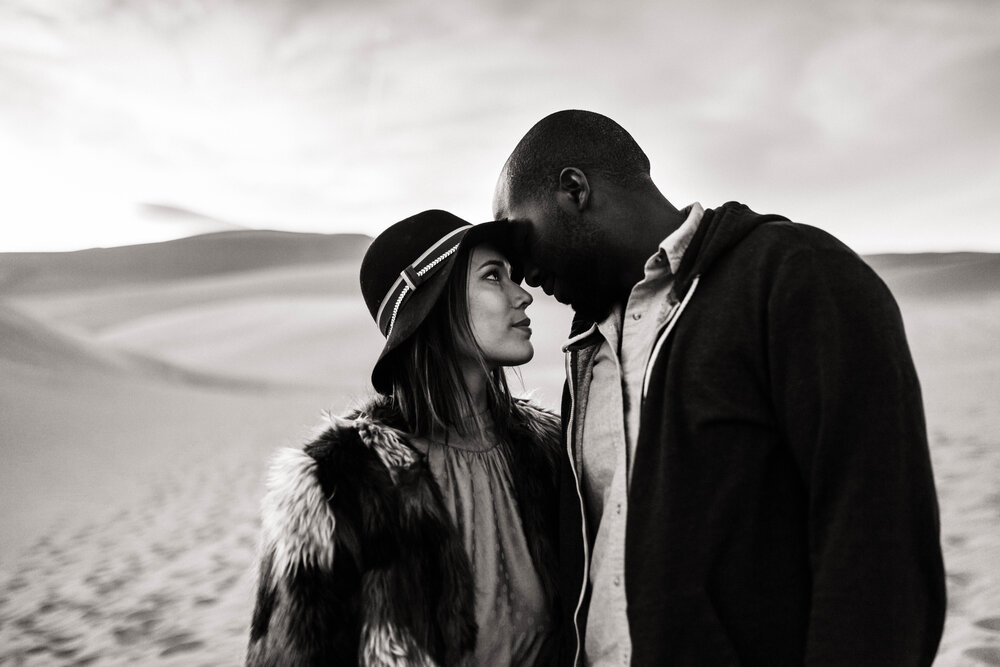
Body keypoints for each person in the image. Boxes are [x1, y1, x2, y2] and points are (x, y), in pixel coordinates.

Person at [493, 110, 946, 666]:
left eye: (520, 238)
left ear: (574, 189)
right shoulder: (587, 348)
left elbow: (880, 547)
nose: (523, 274)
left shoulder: (796, 275)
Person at [246, 210, 562, 665]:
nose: (523, 296)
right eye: (493, 277)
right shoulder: (337, 483)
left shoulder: (548, 450)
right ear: (433, 305)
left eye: (514, 276)